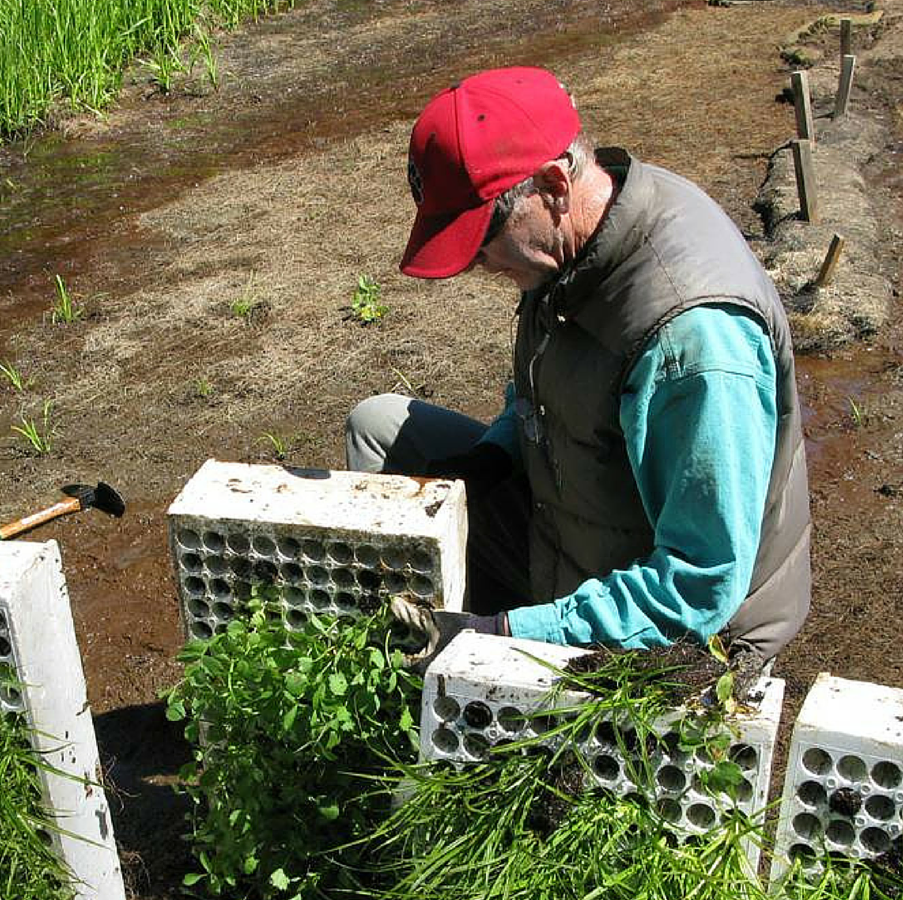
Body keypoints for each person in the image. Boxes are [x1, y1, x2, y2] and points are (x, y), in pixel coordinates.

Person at [347, 67, 810, 664]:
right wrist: (493, 453)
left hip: (684, 629)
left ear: (554, 184)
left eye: (481, 236)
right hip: (573, 528)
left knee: (523, 729)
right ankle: (444, 630)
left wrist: (503, 636)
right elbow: (551, 385)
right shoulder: (576, 242)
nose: (476, 264)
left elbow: (697, 588)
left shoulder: (693, 342)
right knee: (379, 426)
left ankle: (471, 643)